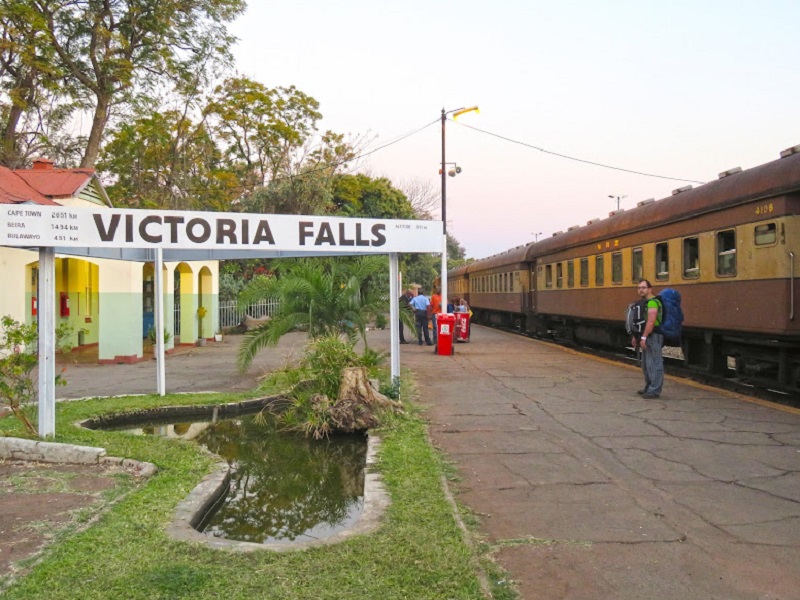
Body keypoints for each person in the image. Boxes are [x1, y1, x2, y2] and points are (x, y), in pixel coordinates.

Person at [631, 279, 664, 399]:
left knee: (655, 363)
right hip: (645, 335)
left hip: (654, 335)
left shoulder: (653, 303)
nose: (641, 290)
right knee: (646, 364)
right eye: (639, 288)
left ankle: (655, 390)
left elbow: (651, 321)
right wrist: (636, 336)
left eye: (643, 287)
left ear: (650, 289)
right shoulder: (643, 303)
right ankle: (649, 386)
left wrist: (644, 337)